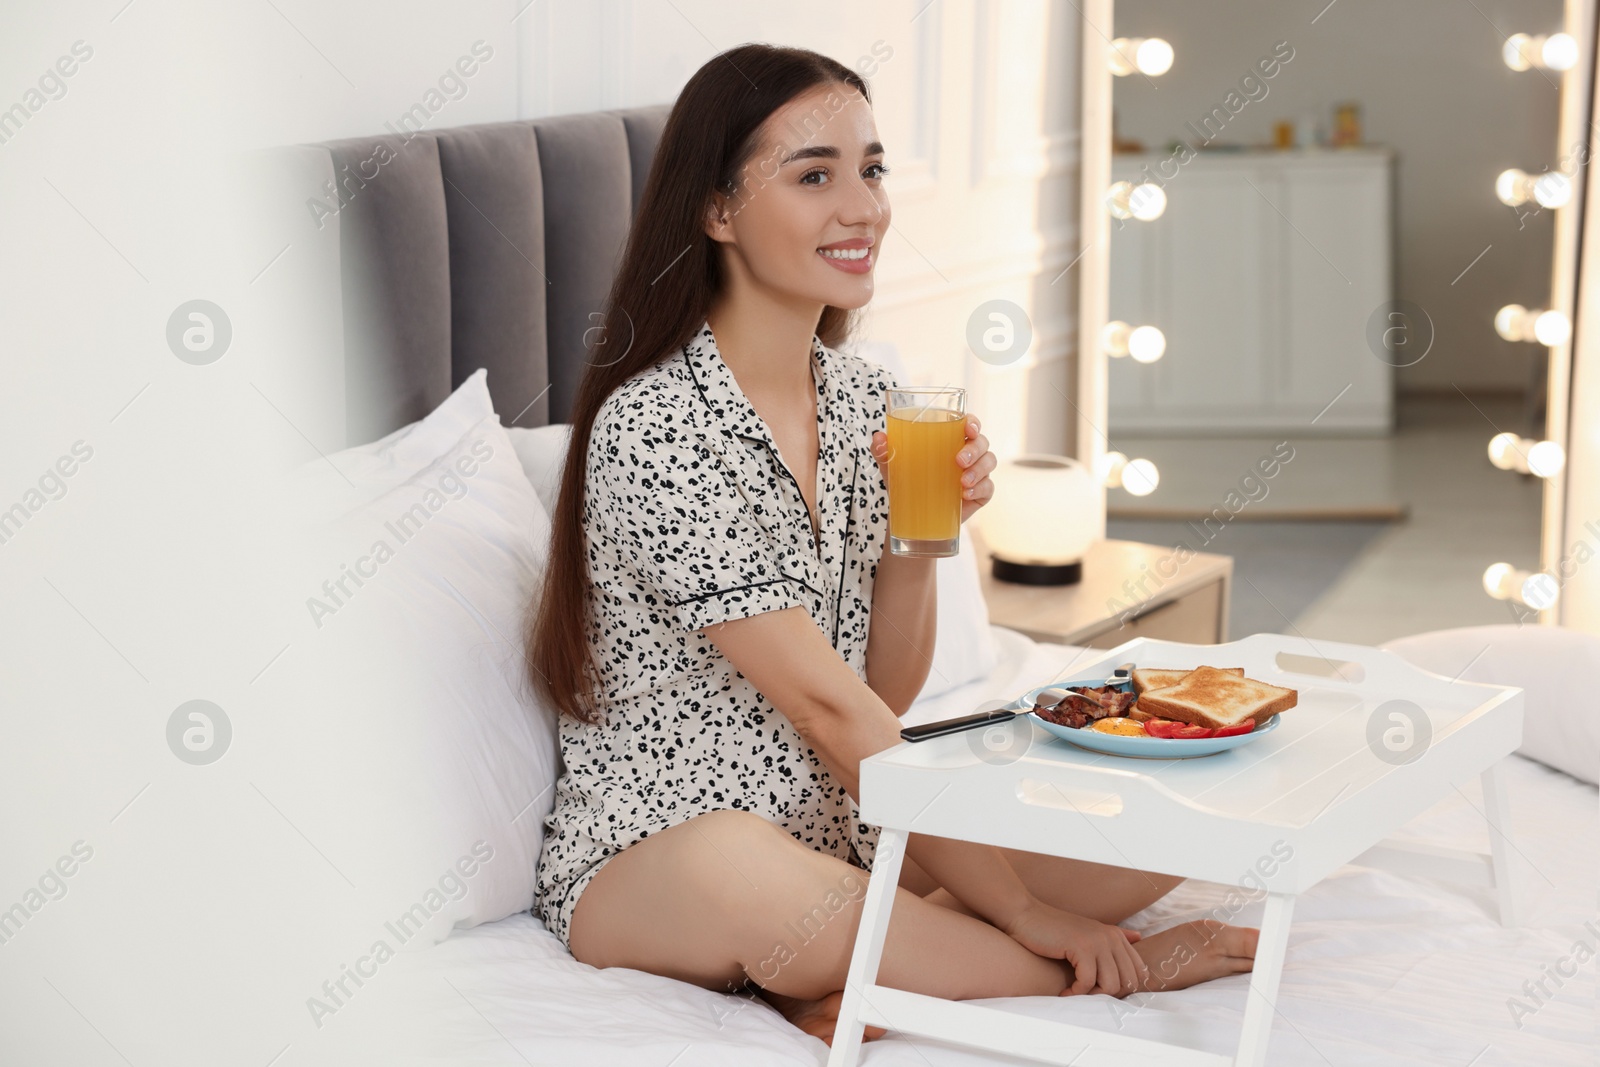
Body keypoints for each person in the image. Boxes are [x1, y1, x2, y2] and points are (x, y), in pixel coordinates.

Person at [525, 42, 1258, 1046]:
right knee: (750, 868)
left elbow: (883, 693)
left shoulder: (866, 395)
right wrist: (1023, 909)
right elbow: (829, 708)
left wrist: (922, 542)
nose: (862, 207)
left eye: (870, 169)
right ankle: (1087, 974)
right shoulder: (658, 427)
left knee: (1141, 825)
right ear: (718, 211)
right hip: (658, 862)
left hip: (841, 832)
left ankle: (868, 962)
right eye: (813, 175)